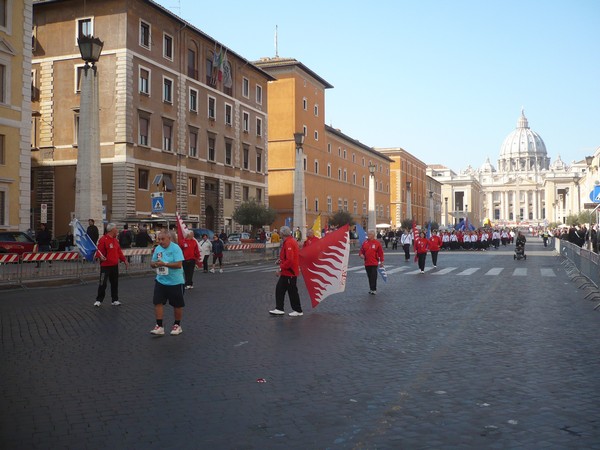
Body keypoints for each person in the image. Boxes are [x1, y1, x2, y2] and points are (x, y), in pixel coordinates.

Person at [150, 230, 185, 336]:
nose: (160, 241)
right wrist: (155, 264)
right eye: (159, 239)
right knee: (158, 302)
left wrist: (165, 264)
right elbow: (152, 262)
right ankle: (159, 326)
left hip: (175, 282)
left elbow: (179, 264)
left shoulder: (176, 248)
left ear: (169, 239)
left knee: (177, 305)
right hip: (161, 280)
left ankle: (177, 325)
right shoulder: (158, 248)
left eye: (162, 239)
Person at [269, 226, 303, 317]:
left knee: (292, 292)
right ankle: (279, 308)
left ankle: (297, 310)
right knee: (280, 289)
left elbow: (290, 260)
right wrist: (280, 261)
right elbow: (287, 257)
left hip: (289, 272)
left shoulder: (289, 243)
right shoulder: (289, 241)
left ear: (282, 233)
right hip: (288, 272)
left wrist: (280, 269)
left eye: (280, 233)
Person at [94, 223, 128, 307]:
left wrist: (124, 260)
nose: (117, 231)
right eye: (116, 229)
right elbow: (98, 251)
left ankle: (115, 300)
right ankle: (99, 300)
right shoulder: (103, 240)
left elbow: (119, 252)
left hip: (114, 266)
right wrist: (100, 257)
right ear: (112, 230)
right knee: (103, 283)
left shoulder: (115, 240)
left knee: (114, 283)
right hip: (105, 266)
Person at [358, 229, 384, 295]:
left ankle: (374, 289)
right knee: (369, 276)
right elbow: (361, 251)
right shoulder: (365, 243)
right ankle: (371, 289)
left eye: (369, 234)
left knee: (374, 276)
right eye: (368, 234)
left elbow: (381, 253)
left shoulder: (377, 243)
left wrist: (382, 261)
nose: (368, 235)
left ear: (373, 235)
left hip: (374, 262)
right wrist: (361, 255)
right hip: (367, 262)